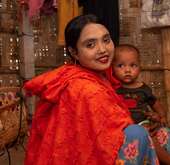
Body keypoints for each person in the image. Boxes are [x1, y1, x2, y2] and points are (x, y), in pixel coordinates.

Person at [23, 14, 160, 165]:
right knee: (138, 133)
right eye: (90, 45)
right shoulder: (86, 89)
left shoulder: (90, 74)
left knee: (162, 134)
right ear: (74, 52)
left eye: (106, 40)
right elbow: (116, 137)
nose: (103, 49)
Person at [111, 44, 170, 165]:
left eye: (133, 65)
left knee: (168, 133)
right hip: (127, 129)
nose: (127, 70)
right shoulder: (113, 89)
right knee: (149, 137)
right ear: (112, 68)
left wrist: (160, 116)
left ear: (140, 67)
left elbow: (156, 104)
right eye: (121, 66)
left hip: (144, 123)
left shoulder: (143, 89)